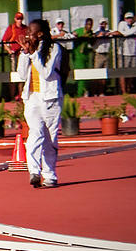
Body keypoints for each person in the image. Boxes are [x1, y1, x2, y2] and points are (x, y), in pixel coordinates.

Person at [17, 19, 63, 188]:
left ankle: (50, 175)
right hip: (32, 98)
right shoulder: (29, 50)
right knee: (35, 133)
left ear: (40, 34)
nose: (27, 35)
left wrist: (33, 54)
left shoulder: (53, 49)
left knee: (49, 139)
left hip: (50, 99)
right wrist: (24, 53)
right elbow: (22, 75)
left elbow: (46, 73)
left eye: (31, 32)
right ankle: (34, 171)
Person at [71, 18, 95, 97]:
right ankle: (79, 94)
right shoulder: (80, 30)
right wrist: (75, 35)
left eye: (90, 25)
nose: (89, 26)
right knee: (80, 75)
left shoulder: (91, 33)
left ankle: (85, 91)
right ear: (85, 24)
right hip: (78, 56)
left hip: (86, 56)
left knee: (86, 75)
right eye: (87, 24)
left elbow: (92, 43)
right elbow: (73, 34)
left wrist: (93, 37)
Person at [117, 12, 136, 93]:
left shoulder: (135, 25)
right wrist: (134, 30)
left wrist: (133, 29)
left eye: (131, 18)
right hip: (124, 52)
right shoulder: (122, 24)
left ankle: (128, 89)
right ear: (125, 19)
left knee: (132, 72)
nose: (129, 19)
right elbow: (124, 34)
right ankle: (123, 91)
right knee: (123, 72)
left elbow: (127, 33)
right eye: (128, 18)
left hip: (134, 52)